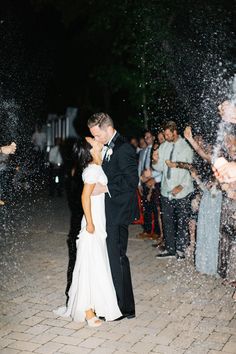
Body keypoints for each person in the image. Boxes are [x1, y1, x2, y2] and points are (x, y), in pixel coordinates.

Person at [55, 137, 122, 326]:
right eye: (92, 140)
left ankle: (94, 305)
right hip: (93, 223)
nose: (96, 139)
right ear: (90, 149)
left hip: (99, 221)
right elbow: (85, 197)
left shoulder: (97, 165)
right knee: (89, 264)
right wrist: (90, 223)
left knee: (96, 262)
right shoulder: (92, 169)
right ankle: (87, 310)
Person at [88, 112, 138, 319]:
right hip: (108, 211)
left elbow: (131, 181)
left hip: (118, 211)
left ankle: (124, 308)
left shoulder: (124, 148)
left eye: (97, 135)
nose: (96, 139)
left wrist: (105, 188)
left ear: (108, 129)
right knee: (110, 257)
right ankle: (113, 303)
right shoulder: (108, 146)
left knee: (117, 258)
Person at [153, 121, 194, 259]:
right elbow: (158, 168)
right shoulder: (164, 146)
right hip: (166, 190)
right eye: (164, 134)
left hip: (183, 190)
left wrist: (182, 186)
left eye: (167, 134)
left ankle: (181, 250)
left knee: (182, 221)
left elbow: (191, 169)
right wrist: (154, 160)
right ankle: (170, 249)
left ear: (175, 132)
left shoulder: (186, 147)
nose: (165, 137)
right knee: (167, 220)